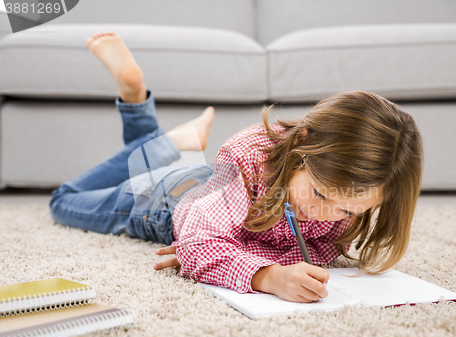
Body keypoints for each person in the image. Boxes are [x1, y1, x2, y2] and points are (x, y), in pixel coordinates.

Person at [50, 32, 423, 304]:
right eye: (321, 193)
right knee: (63, 201)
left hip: (214, 194)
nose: (325, 214)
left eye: (347, 209)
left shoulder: (351, 192)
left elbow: (321, 247)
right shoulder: (247, 154)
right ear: (301, 144)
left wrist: (230, 253)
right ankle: (165, 143)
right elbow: (199, 243)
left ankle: (151, 119)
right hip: (164, 204)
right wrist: (267, 275)